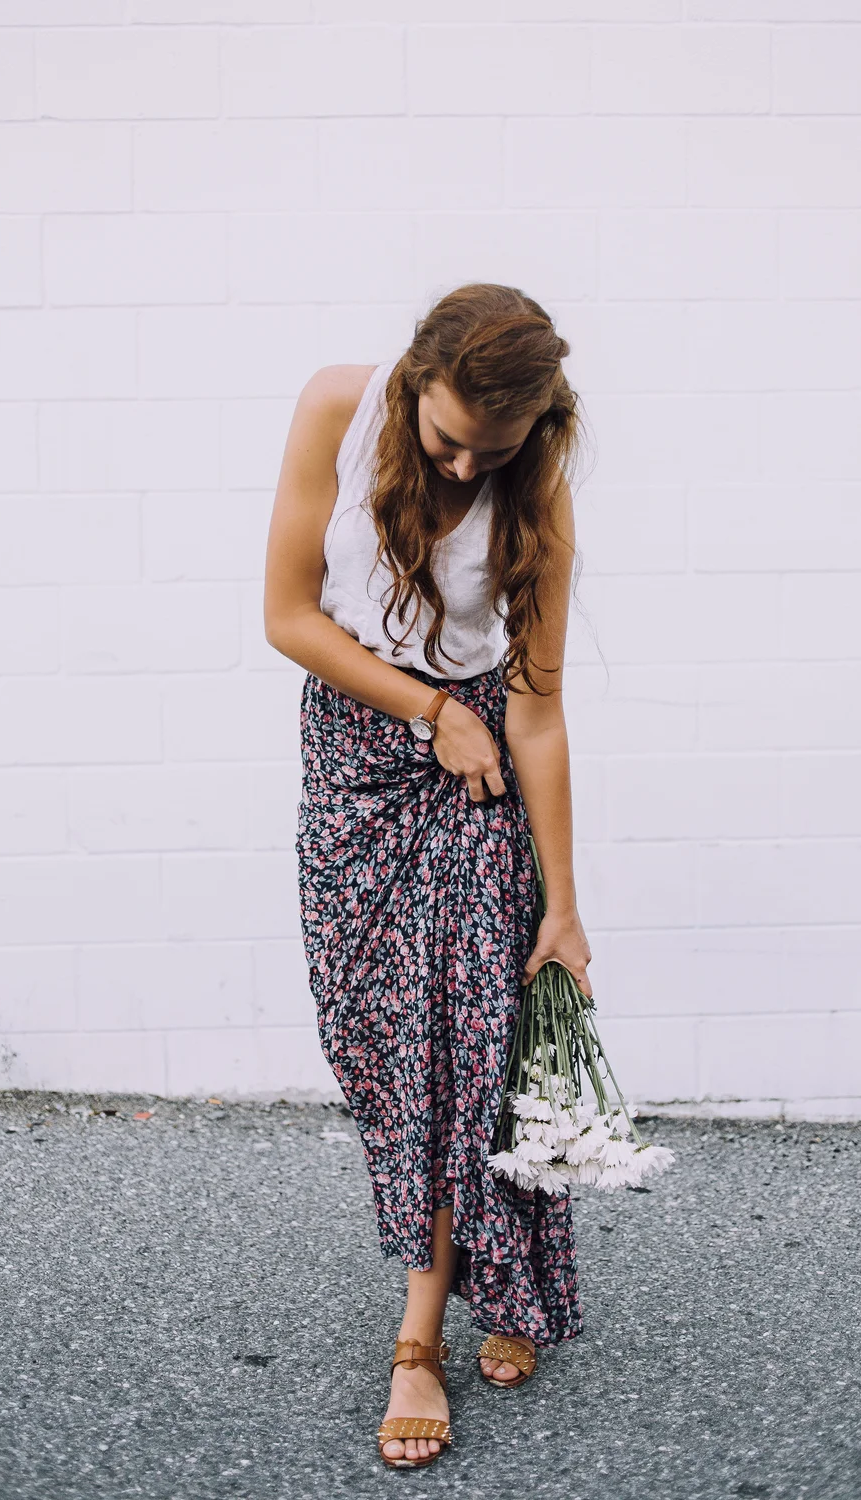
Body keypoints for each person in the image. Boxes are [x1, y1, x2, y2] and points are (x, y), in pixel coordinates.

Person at [264, 282, 594, 1470]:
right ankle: (501, 1273)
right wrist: (427, 711)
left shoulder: (535, 491)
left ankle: (419, 1340)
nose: (462, 466)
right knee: (372, 1037)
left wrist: (564, 907)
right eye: (448, 437)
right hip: (360, 755)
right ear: (414, 381)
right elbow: (288, 618)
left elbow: (537, 715)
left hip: (478, 775)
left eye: (490, 451)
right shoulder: (336, 410)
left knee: (453, 1046)